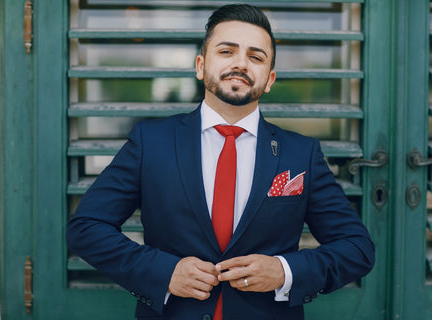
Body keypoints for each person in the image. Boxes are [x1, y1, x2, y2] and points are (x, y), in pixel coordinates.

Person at [66, 4, 375, 320]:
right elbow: (86, 228)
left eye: (255, 57)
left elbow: (357, 248)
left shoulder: (300, 153)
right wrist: (164, 272)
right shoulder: (151, 142)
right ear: (200, 66)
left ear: (269, 79)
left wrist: (284, 271)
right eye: (227, 52)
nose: (241, 63)